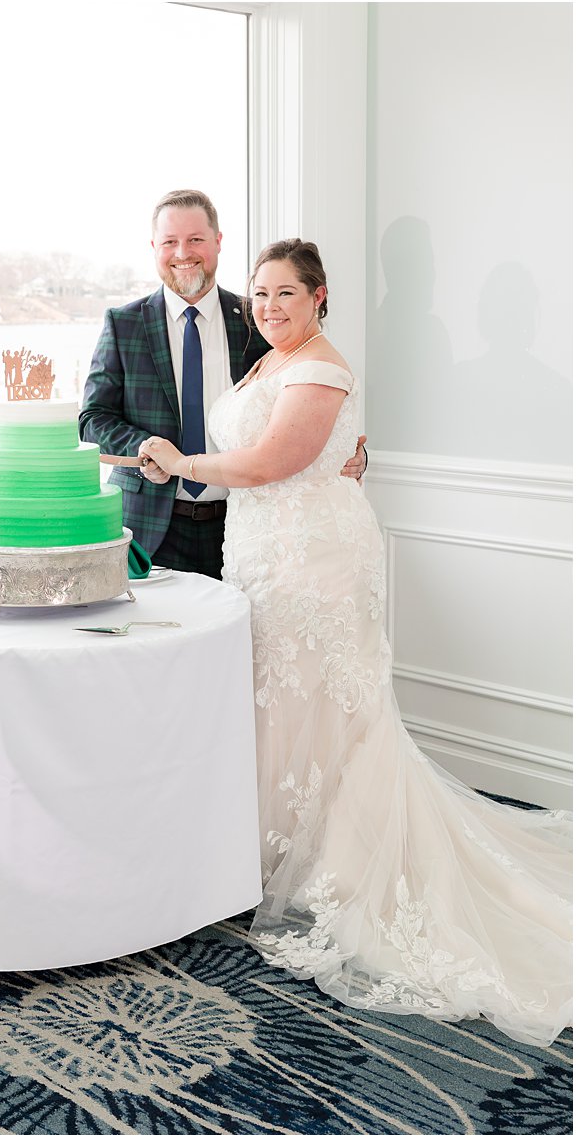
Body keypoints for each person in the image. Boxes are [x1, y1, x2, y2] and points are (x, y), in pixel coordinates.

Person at [139, 239, 572, 1047]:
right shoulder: (271, 361)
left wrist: (179, 461)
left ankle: (338, 863)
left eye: (286, 295)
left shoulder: (319, 368)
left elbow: (275, 461)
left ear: (320, 297)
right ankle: (273, 853)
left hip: (316, 564)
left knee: (330, 709)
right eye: (260, 295)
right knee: (282, 701)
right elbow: (313, 455)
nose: (268, 307)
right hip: (267, 556)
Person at [80, 190, 364, 578]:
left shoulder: (260, 318)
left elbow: (311, 394)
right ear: (154, 247)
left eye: (196, 239)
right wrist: (142, 448)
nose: (183, 252)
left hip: (245, 525)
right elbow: (92, 418)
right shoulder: (123, 324)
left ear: (217, 242)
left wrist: (351, 453)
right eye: (170, 242)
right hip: (151, 529)